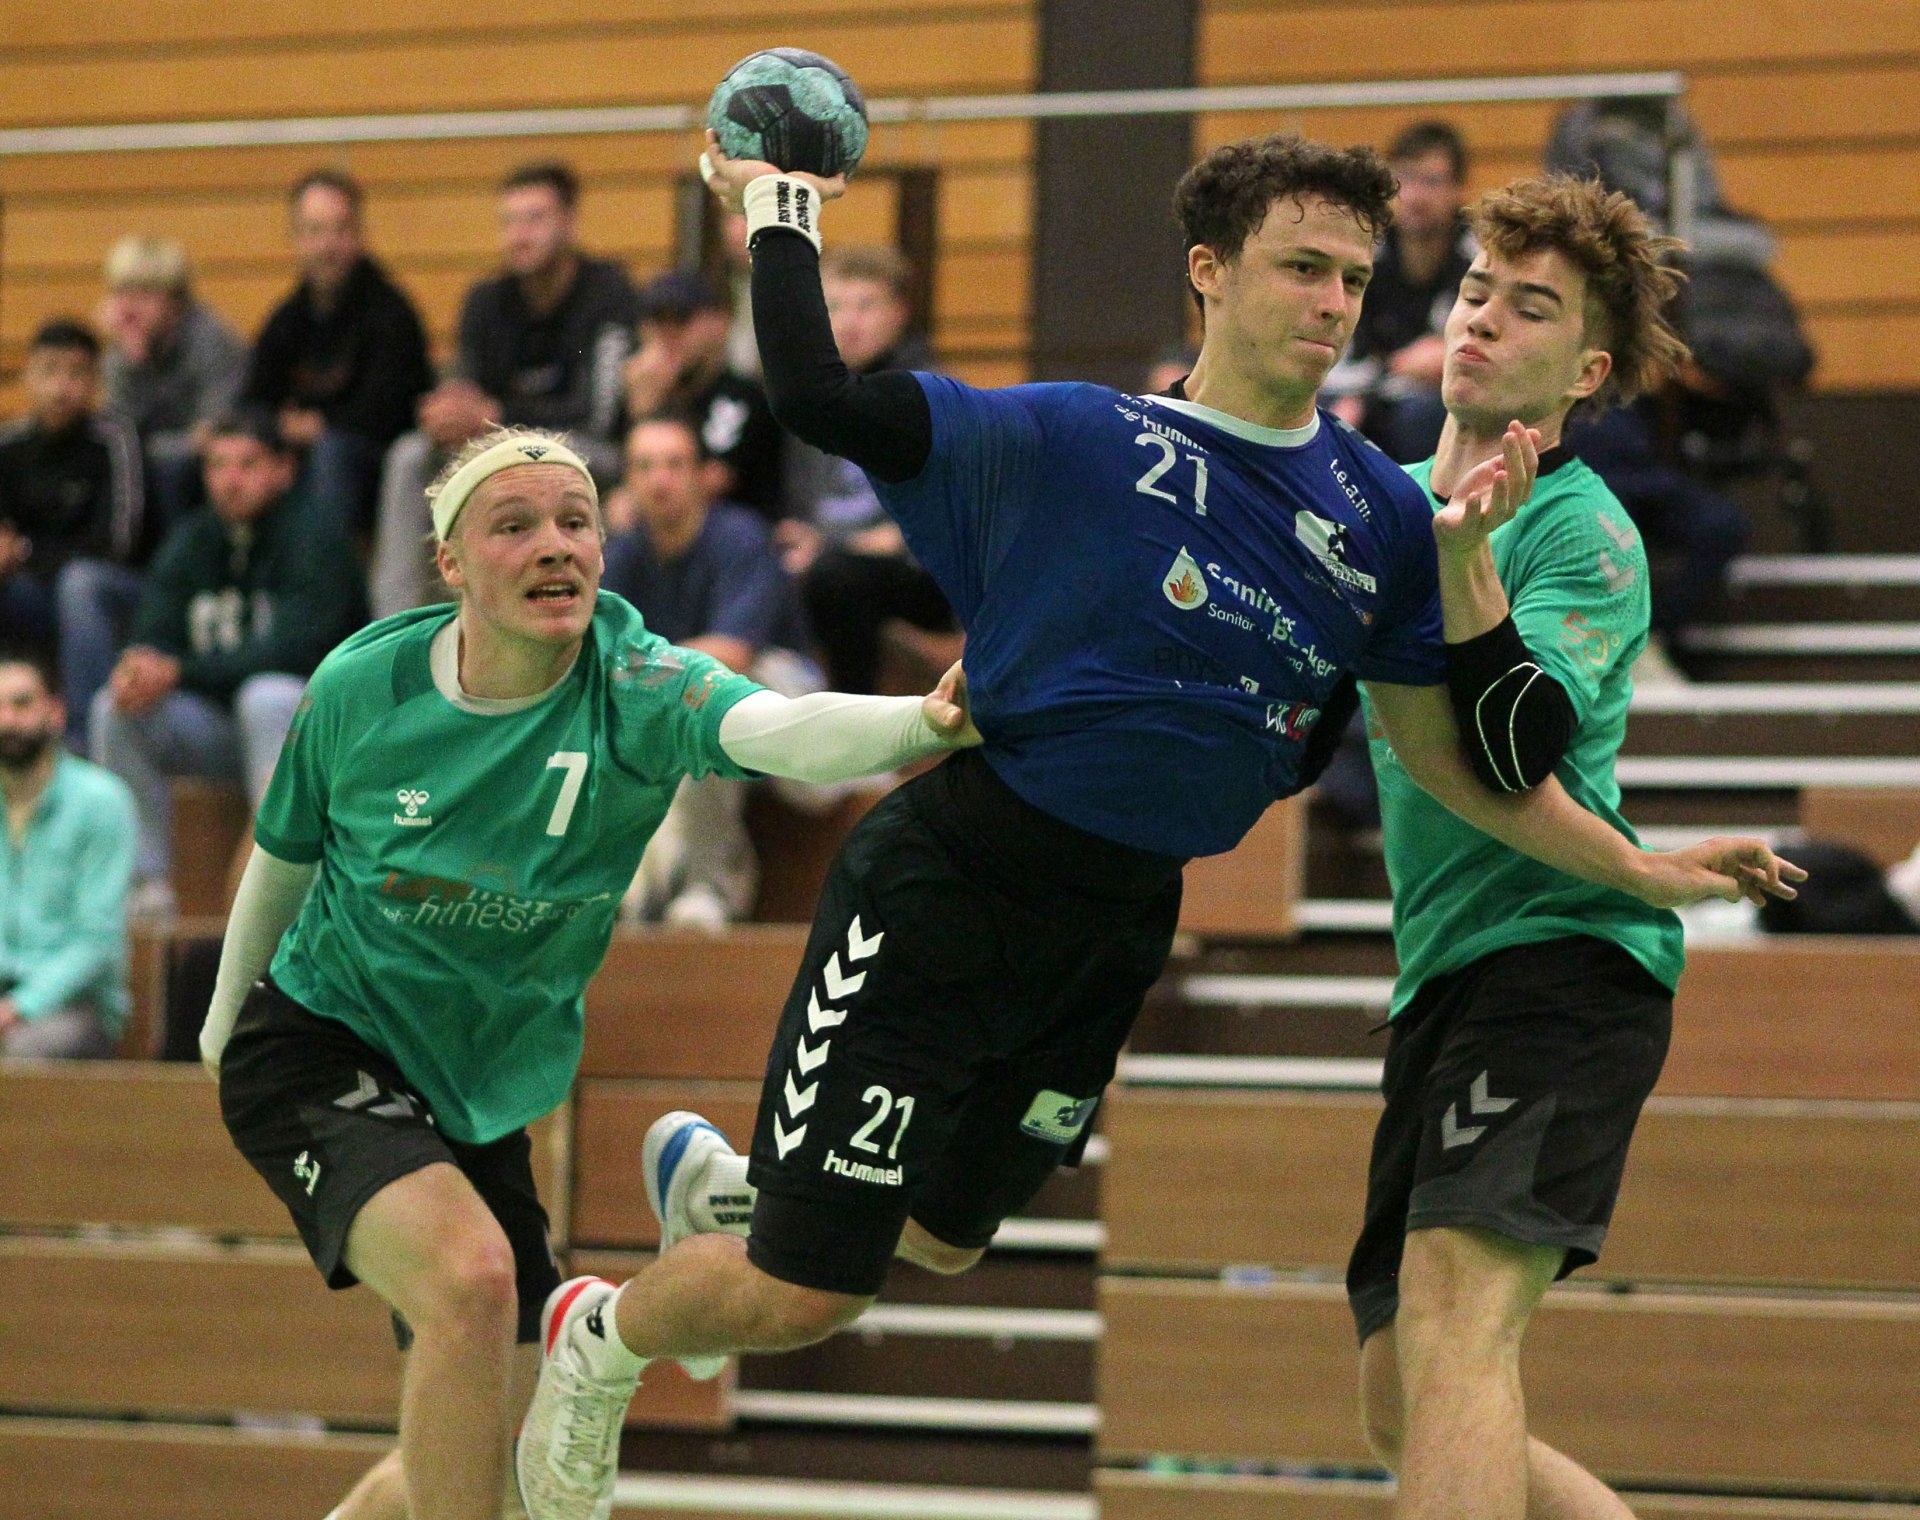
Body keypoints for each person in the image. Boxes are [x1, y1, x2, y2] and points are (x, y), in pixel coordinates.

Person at [513, 131, 1800, 1520]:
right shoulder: (1087, 436)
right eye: (1302, 268)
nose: (1334, 302)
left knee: (955, 1241)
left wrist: (1638, 866)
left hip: (1128, 921)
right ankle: (604, 1334)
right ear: (1209, 275)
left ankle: (748, 1193)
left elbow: (1476, 757)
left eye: (1355, 279)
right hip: (959, 877)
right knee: (818, 1293)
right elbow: (820, 394)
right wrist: (777, 211)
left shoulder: (1389, 516)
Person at [199, 422, 981, 1520]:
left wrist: (927, 717)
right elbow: (282, 860)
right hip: (321, 1044)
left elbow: (784, 728)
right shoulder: (364, 685)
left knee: (498, 1461)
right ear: (453, 564)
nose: (553, 545)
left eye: (575, 522)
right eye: (514, 526)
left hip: (476, 1093)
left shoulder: (637, 685)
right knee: (472, 1286)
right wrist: (224, 1022)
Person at [1346, 175, 1802, 1520]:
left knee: (1455, 1325)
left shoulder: (1583, 533)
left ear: (1586, 367)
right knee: (1394, 1395)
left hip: (1563, 962)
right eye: (1479, 288)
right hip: (1443, 972)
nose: (1484, 317)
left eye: (1528, 306)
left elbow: (1513, 745)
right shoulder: (1384, 506)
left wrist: (1472, 565)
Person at [92, 409, 365, 916]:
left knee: (266, 694)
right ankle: (146, 889)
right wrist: (142, 665)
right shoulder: (194, 537)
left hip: (317, 736)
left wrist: (179, 671)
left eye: (248, 464)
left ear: (284, 469)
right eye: (217, 465)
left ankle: (280, 872)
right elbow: (156, 626)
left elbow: (300, 650)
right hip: (224, 731)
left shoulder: (316, 534)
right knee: (117, 706)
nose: (231, 480)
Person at [370, 162, 637, 618]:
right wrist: (447, 412)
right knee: (411, 455)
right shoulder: (485, 300)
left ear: (569, 224)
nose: (519, 234)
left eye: (535, 219)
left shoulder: (609, 293)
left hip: (587, 450)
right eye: (509, 222)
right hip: (497, 446)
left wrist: (496, 413)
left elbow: (600, 414)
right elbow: (467, 394)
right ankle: (395, 628)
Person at [603, 411, 825, 928]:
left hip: (786, 705)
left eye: (674, 465)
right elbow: (600, 655)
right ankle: (628, 888)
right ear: (628, 483)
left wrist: (633, 675)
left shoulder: (741, 537)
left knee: (709, 696)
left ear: (702, 476)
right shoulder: (623, 552)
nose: (659, 480)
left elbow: (732, 653)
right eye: (644, 467)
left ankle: (710, 888)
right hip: (674, 700)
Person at [777, 246, 956, 694]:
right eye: (835, 306)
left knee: (837, 578)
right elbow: (804, 502)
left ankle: (854, 719)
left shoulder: (930, 392)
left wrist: (842, 544)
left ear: (899, 313)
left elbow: (949, 510)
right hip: (830, 554)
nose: (848, 321)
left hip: (918, 567)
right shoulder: (809, 394)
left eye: (866, 305)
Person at [242, 169, 434, 538]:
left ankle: (327, 583)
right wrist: (279, 429)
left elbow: (392, 409)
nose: (327, 245)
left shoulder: (391, 312)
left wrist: (320, 426)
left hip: (377, 463)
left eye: (340, 229)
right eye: (314, 231)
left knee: (332, 452)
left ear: (359, 236)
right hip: (306, 455)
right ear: (296, 239)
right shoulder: (287, 317)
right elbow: (256, 399)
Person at [0, 319, 147, 751]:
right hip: (34, 591)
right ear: (27, 375)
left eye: (77, 373)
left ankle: (84, 743)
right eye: (49, 371)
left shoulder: (114, 439)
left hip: (113, 593)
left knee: (80, 584)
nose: (62, 386)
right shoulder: (8, 445)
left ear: (95, 381)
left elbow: (120, 544)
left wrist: (24, 552)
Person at [0, 648, 136, 1059]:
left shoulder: (102, 801)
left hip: (75, 1005)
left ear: (55, 712)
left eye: (21, 704)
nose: (6, 720)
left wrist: (17, 1008)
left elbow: (96, 939)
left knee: (19, 1057)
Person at [1325, 122, 1475, 463]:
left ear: (1459, 190)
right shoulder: (1365, 255)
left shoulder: (1479, 259)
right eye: (1404, 179)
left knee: (1423, 417)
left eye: (1432, 181)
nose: (1416, 196)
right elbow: (1344, 357)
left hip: (1440, 405)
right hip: (1369, 395)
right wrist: (1382, 380)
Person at [98, 234, 247, 531]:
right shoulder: (120, 354)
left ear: (176, 302)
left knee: (171, 468)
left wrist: (151, 451)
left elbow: (214, 432)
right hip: (160, 460)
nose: (129, 309)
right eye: (121, 294)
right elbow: (118, 439)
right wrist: (131, 367)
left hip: (211, 471)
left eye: (143, 295)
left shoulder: (213, 341)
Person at [622, 268, 783, 517]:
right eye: (657, 321)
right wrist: (642, 408)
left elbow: (711, 482)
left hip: (737, 531)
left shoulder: (740, 395)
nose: (667, 334)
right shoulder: (639, 388)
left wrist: (649, 413)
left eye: (680, 319)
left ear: (719, 324)